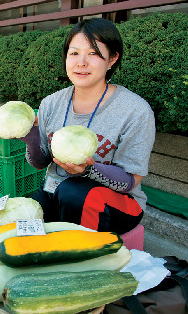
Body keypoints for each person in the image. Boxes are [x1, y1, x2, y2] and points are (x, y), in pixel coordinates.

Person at [21, 18, 155, 234]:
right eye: (74, 53)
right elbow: (40, 163)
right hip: (57, 190)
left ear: (112, 59)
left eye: (93, 53)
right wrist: (30, 137)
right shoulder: (51, 103)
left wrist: (89, 169)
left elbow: (130, 181)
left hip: (119, 203)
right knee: (22, 219)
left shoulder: (134, 111)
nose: (81, 62)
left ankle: (80, 260)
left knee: (74, 193)